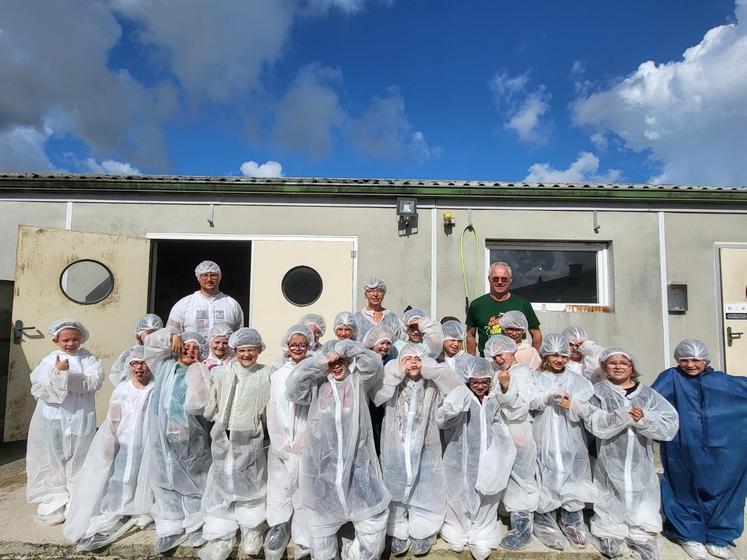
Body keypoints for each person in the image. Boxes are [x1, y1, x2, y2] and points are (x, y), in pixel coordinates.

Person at [286, 339, 390, 560]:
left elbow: (373, 364)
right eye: (332, 362)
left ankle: (355, 554)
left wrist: (347, 348)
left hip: (358, 466)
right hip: (324, 470)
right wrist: (320, 362)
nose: (337, 364)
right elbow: (293, 388)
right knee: (321, 546)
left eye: (341, 360)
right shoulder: (316, 386)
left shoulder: (358, 381)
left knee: (374, 523)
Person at [652, 339, 747, 560]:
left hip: (723, 449)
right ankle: (687, 534)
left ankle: (719, 537)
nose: (690, 364)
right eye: (684, 360)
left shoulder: (721, 382)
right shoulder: (671, 378)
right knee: (683, 488)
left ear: (705, 359)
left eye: (696, 359)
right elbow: (651, 400)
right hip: (681, 447)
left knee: (725, 489)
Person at [581, 347, 678, 560]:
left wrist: (644, 419)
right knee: (609, 491)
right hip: (609, 456)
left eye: (623, 363)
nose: (618, 367)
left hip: (639, 458)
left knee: (641, 491)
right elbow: (593, 422)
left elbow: (669, 423)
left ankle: (641, 533)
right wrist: (621, 417)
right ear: (604, 367)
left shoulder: (647, 394)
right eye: (612, 363)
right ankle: (609, 531)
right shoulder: (597, 392)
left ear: (631, 366)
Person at [64, 347, 155, 551]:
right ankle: (116, 510)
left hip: (148, 444)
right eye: (135, 363)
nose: (139, 368)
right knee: (121, 477)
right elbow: (114, 418)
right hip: (125, 443)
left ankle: (141, 508)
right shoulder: (122, 389)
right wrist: (108, 442)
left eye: (144, 362)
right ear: (129, 366)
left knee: (145, 477)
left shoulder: (155, 388)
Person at [372, 344, 459, 556]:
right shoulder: (394, 384)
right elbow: (378, 396)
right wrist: (395, 372)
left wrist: (430, 367)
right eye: (407, 359)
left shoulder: (431, 384)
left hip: (426, 447)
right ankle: (397, 528)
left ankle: (425, 528)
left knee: (425, 484)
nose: (412, 363)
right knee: (394, 484)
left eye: (417, 359)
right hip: (396, 447)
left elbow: (452, 386)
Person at [199, 328, 272, 560]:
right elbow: (211, 403)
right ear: (235, 351)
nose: (246, 355)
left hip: (250, 436)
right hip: (224, 435)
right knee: (223, 478)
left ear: (259, 350)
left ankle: (251, 529)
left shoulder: (267, 374)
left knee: (250, 481)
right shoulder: (222, 372)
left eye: (251, 350)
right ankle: (222, 534)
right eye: (241, 350)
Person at [437, 356, 517, 560]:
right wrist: (452, 410)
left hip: (487, 458)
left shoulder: (492, 400)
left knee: (486, 494)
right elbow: (442, 420)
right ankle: (457, 527)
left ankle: (481, 531)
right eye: (475, 382)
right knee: (459, 492)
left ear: (491, 381)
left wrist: (503, 443)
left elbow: (497, 421)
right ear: (468, 380)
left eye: (484, 382)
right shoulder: (461, 396)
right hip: (460, 459)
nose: (480, 386)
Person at [26, 319, 104, 525]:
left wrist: (65, 376)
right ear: (56, 340)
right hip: (53, 416)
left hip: (79, 414)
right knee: (53, 454)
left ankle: (77, 496)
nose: (71, 344)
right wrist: (57, 373)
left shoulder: (88, 358)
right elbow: (39, 386)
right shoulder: (49, 360)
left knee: (79, 454)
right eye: (66, 340)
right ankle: (54, 496)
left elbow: (93, 381)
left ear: (81, 339)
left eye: (75, 339)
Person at [144, 327, 212, 553]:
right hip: (160, 437)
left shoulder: (200, 371)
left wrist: (196, 369)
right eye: (187, 345)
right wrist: (171, 334)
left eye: (197, 349)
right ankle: (169, 525)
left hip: (190, 438)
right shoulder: (163, 367)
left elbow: (200, 404)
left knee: (195, 478)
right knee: (164, 477)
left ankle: (196, 523)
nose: (190, 350)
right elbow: (151, 345)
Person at [529, 333, 597, 550]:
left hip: (571, 440)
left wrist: (572, 404)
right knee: (544, 476)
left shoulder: (578, 381)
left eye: (563, 355)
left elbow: (589, 409)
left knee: (573, 476)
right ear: (545, 356)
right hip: (543, 439)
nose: (559, 360)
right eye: (554, 355)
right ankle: (545, 523)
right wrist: (547, 396)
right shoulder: (534, 378)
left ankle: (572, 522)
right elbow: (527, 401)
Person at [264, 324, 316, 560]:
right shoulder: (277, 375)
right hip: (281, 443)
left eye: (302, 344)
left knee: (305, 488)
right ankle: (279, 526)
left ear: (309, 346)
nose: (297, 348)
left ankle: (304, 535)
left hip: (307, 441)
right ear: (287, 345)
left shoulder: (315, 372)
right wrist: (280, 442)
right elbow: (272, 409)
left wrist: (305, 439)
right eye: (293, 344)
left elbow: (316, 409)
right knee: (279, 485)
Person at [484, 335, 540, 550]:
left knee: (521, 478)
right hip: (502, 431)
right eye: (494, 356)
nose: (497, 359)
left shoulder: (523, 373)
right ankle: (505, 514)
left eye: (501, 354)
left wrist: (505, 389)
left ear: (512, 350)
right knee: (503, 474)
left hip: (518, 430)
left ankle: (523, 529)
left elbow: (519, 408)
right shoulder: (499, 373)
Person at [466, 262, 541, 357]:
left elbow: (536, 334)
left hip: (516, 361)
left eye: (504, 279)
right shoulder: (477, 305)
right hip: (488, 361)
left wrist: (531, 357)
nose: (500, 282)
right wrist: (472, 360)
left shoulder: (523, 304)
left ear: (510, 280)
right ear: (489, 279)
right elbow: (470, 335)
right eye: (495, 278)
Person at [167, 260, 244, 339]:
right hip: (192, 351)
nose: (209, 279)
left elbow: (238, 336)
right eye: (204, 275)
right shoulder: (184, 304)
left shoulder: (232, 304)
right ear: (198, 278)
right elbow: (171, 333)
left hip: (223, 351)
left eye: (213, 275)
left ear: (220, 277)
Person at [361, 324, 396, 455]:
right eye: (382, 343)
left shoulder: (391, 363)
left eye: (388, 344)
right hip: (366, 406)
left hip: (383, 409)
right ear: (372, 343)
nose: (385, 347)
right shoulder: (364, 361)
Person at [109, 313, 163, 386]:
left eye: (156, 333)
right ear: (139, 334)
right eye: (149, 333)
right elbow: (117, 375)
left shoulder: (164, 354)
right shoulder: (130, 354)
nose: (152, 337)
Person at [353, 277, 404, 344]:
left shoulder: (392, 318)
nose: (375, 294)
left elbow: (401, 340)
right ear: (365, 295)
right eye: (371, 291)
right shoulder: (357, 318)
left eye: (380, 291)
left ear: (384, 294)